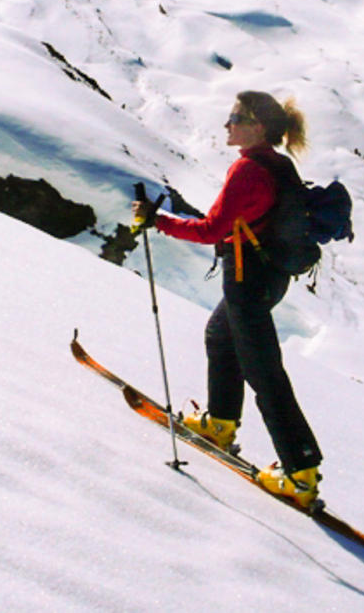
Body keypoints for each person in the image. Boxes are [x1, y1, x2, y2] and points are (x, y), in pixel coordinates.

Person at [131, 90, 324, 507]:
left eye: (236, 117)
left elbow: (211, 230)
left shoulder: (249, 170)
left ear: (257, 127)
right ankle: (219, 423)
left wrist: (157, 220)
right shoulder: (278, 163)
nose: (227, 124)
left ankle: (301, 473)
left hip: (247, 279)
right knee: (221, 338)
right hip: (270, 276)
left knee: (265, 374)